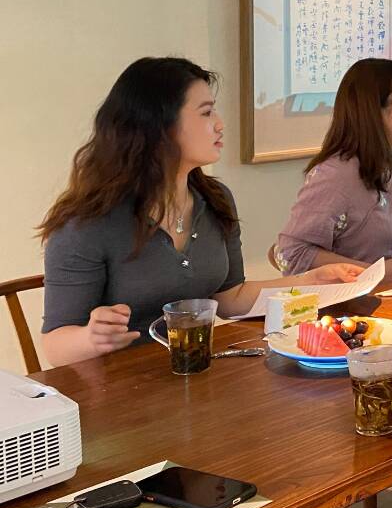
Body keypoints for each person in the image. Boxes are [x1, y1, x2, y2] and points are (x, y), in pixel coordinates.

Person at [38, 57, 362, 369]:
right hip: (119, 388)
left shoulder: (215, 199)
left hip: (197, 370)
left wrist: (309, 281)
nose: (220, 124)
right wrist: (91, 339)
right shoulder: (88, 222)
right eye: (206, 112)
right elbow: (55, 345)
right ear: (159, 125)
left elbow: (231, 298)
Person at [276, 59, 392, 277]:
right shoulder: (336, 175)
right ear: (375, 110)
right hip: (358, 295)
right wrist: (372, 273)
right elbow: (291, 252)